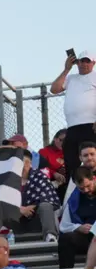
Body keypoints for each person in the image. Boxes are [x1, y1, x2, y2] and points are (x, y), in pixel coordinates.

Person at [0, 151, 60, 242]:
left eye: (26, 162)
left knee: (46, 206)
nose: (23, 166)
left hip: (36, 219)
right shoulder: (6, 179)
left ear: (30, 163)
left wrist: (33, 207)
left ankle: (50, 235)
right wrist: (19, 209)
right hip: (15, 220)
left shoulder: (40, 176)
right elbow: (0, 201)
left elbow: (49, 198)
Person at [50, 50, 96, 180]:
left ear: (93, 63)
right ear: (77, 62)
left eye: (87, 61)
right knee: (71, 161)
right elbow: (54, 89)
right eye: (81, 61)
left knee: (91, 160)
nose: (84, 64)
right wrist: (66, 70)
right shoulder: (70, 78)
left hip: (91, 125)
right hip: (72, 127)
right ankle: (74, 190)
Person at [61, 166, 96, 269]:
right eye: (81, 188)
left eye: (88, 186)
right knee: (66, 239)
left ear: (93, 179)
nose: (85, 190)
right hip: (86, 237)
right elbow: (64, 225)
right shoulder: (73, 200)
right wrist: (78, 227)